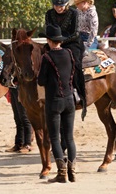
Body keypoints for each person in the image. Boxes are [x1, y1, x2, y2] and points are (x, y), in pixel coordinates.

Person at [37, 24, 77, 183]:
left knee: (54, 137)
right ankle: (72, 171)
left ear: (48, 40)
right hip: (69, 100)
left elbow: (41, 81)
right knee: (69, 137)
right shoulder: (69, 53)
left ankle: (61, 174)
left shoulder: (46, 57)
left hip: (54, 102)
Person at [44, 0, 87, 119]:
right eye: (57, 5)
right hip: (53, 43)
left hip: (72, 43)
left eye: (61, 5)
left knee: (75, 62)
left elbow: (75, 33)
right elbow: (48, 29)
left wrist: (60, 42)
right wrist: (53, 42)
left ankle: (78, 91)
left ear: (67, 4)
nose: (59, 8)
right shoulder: (49, 14)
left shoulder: (74, 13)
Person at [5, 87, 33, 153]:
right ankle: (19, 143)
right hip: (12, 88)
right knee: (17, 118)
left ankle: (27, 144)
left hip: (21, 88)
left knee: (24, 118)